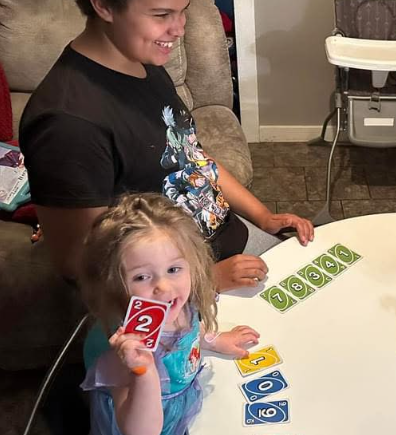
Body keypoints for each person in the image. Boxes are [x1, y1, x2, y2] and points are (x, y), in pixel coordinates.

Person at [19, 0, 313, 292]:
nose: (179, 29)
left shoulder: (143, 62)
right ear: (104, 6)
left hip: (230, 242)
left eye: (183, 10)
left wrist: (263, 216)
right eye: (162, 15)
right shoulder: (67, 123)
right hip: (175, 290)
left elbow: (192, 156)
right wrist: (205, 280)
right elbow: (78, 264)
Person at [79, 193, 261, 435]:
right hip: (147, 418)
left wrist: (213, 340)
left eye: (174, 269)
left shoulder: (180, 302)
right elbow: (141, 434)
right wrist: (143, 371)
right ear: (112, 284)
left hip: (179, 405)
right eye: (141, 277)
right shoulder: (124, 347)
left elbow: (191, 328)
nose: (164, 287)